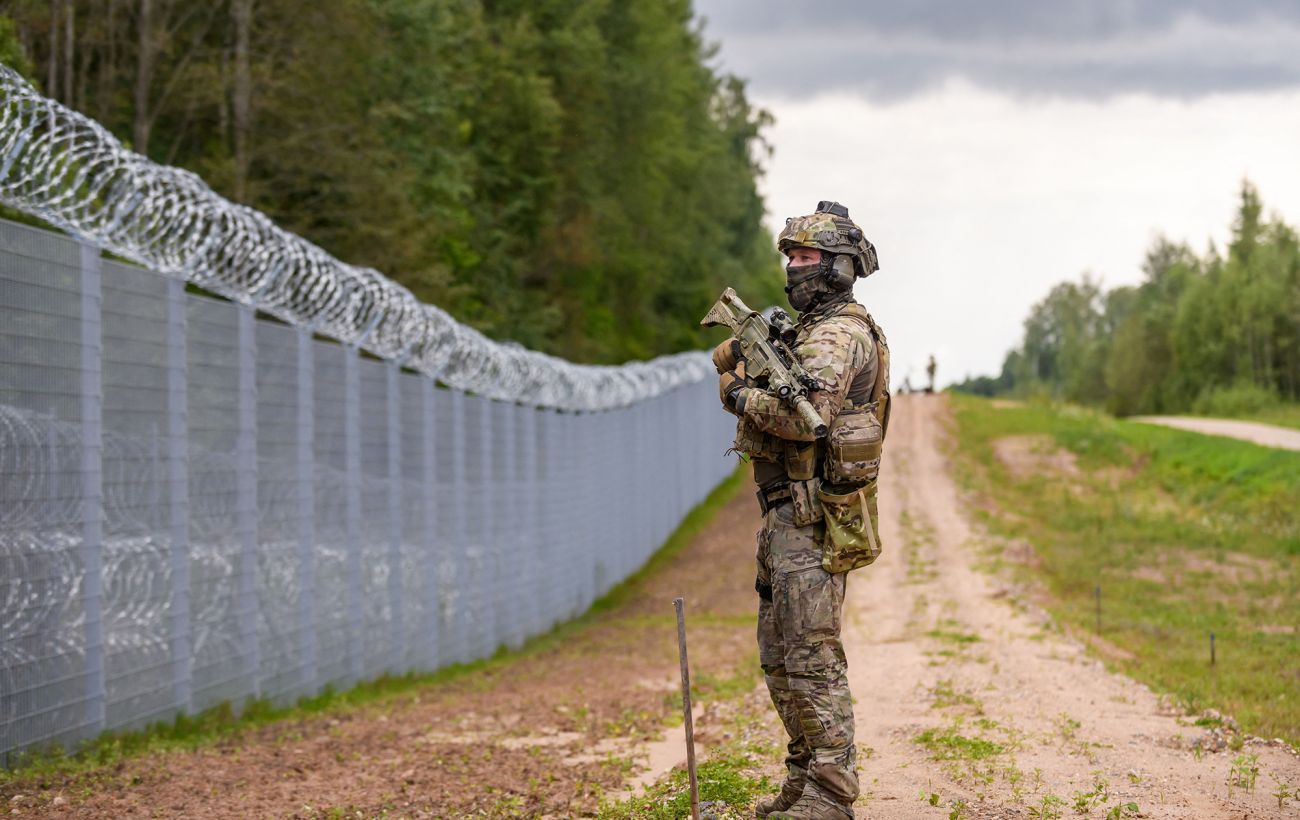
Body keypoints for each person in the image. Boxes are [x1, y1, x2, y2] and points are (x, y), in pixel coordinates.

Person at [713, 201, 890, 819]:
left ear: (839, 266)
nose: (794, 266)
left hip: (810, 518)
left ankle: (831, 793)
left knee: (811, 657)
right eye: (790, 255)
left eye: (807, 255)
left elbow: (802, 420)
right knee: (779, 655)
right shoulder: (811, 330)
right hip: (785, 514)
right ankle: (805, 776)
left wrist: (738, 394)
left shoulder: (839, 335)